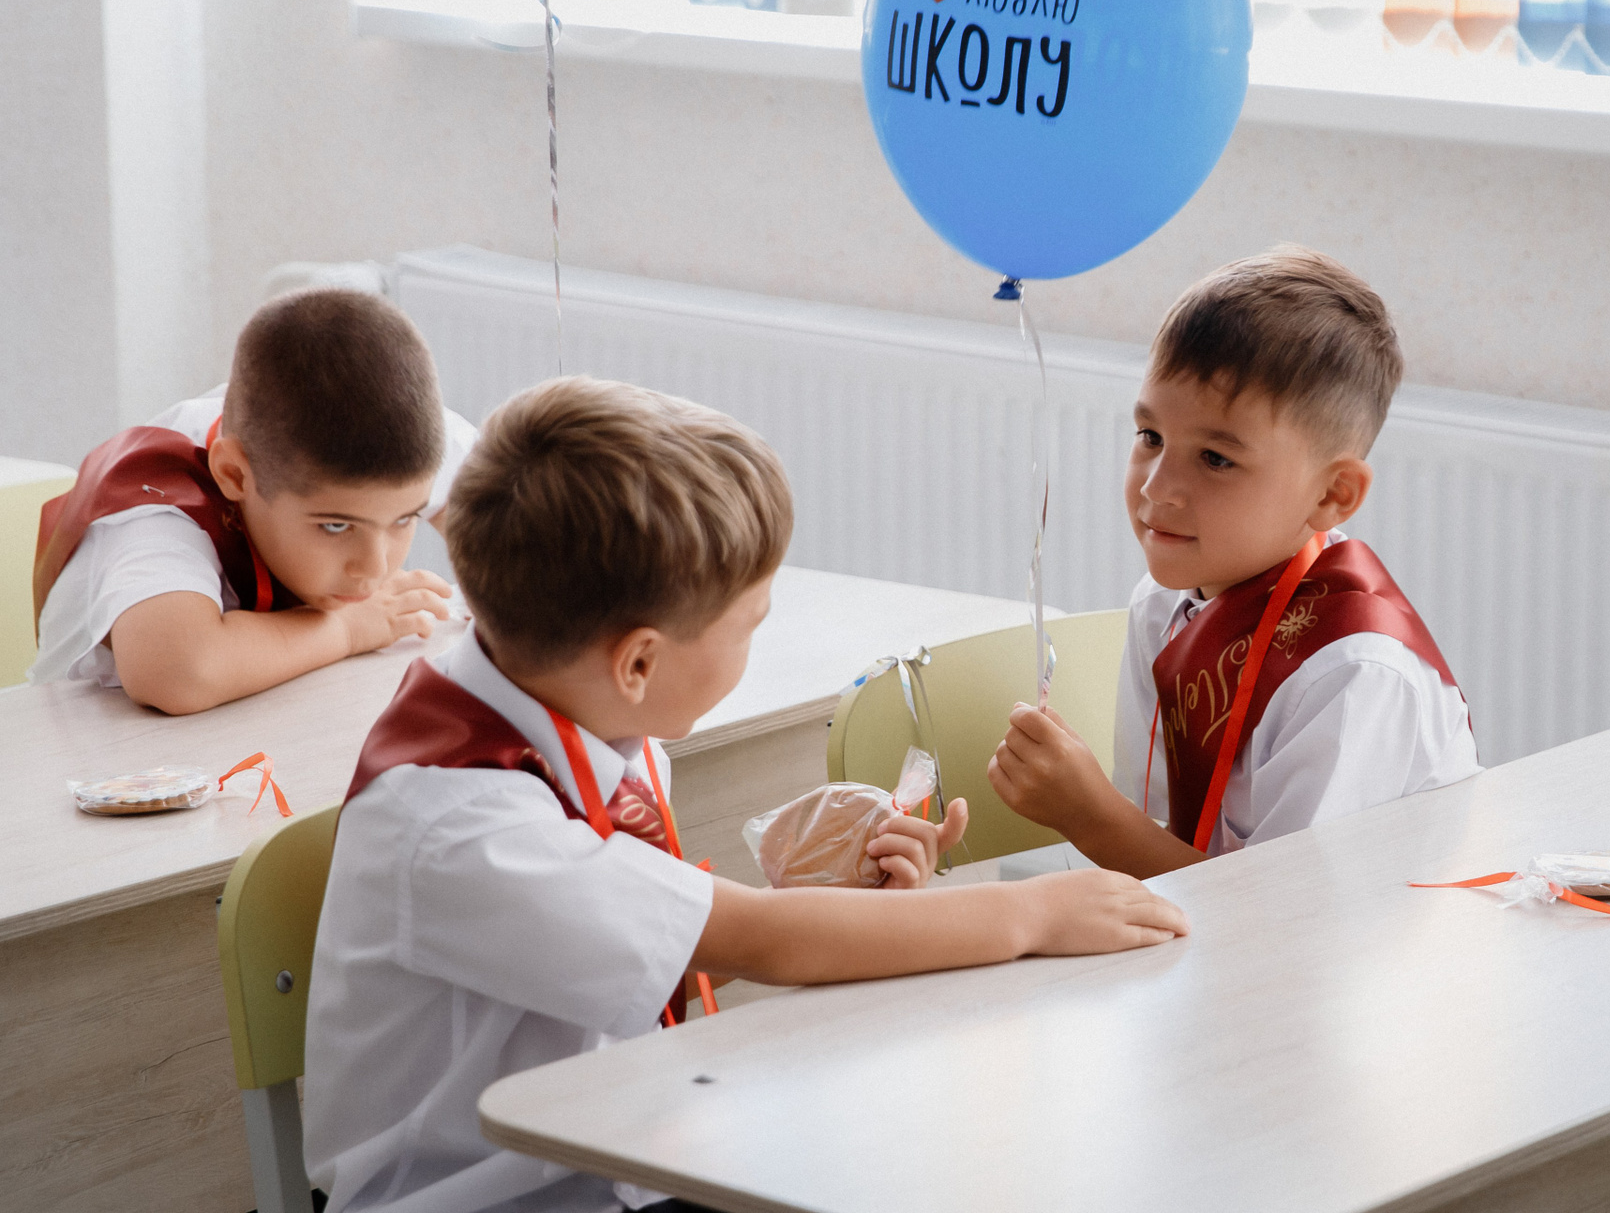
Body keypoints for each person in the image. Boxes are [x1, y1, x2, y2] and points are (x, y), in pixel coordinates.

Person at [303, 376, 1189, 1213]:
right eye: (749, 623)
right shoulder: (465, 824)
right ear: (639, 662)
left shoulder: (581, 715)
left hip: (621, 1152)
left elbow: (650, 952)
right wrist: (1033, 913)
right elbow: (760, 940)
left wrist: (833, 901)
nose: (756, 641)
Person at [988, 245, 1478, 878]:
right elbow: (1159, 832)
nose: (1157, 487)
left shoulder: (1352, 674)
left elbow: (1284, 917)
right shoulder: (1161, 606)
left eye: (1216, 459)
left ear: (1332, 495)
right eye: (1151, 437)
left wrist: (1088, 816)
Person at [29, 289, 472, 713]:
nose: (375, 568)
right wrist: (347, 628)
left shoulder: (380, 440)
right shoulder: (157, 503)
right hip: (90, 749)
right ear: (234, 475)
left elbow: (506, 516)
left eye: (405, 519)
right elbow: (178, 672)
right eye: (335, 526)